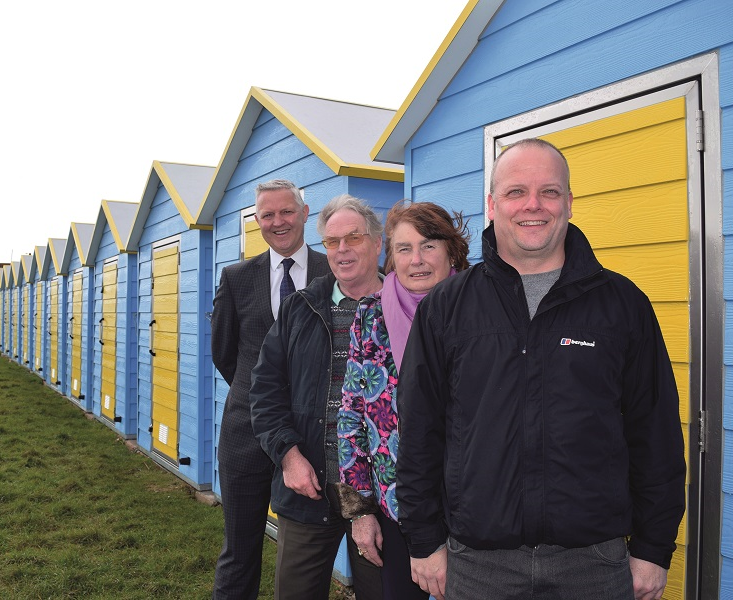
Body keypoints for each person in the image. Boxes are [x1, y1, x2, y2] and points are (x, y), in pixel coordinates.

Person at [396, 138, 686, 600]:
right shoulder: (447, 308)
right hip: (478, 564)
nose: (533, 205)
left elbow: (656, 434)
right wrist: (424, 538)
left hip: (593, 564)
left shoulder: (622, 305)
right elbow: (418, 431)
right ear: (492, 204)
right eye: (515, 192)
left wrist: (653, 548)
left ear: (569, 203)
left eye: (549, 192)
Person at [250, 194, 385, 600]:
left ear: (377, 242)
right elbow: (265, 391)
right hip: (308, 490)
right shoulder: (300, 309)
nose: (342, 250)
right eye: (331, 242)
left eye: (354, 238)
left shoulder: (401, 307)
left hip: (384, 497)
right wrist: (289, 457)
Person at [336, 201, 470, 600]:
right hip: (398, 506)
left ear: (452, 251)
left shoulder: (481, 310)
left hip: (475, 506)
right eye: (404, 248)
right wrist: (360, 512)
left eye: (429, 246)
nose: (417, 260)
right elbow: (352, 414)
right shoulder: (370, 316)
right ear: (390, 255)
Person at [211, 179, 331, 600]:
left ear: (304, 212)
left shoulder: (332, 272)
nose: (278, 222)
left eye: (286, 212)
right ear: (257, 221)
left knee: (303, 553)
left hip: (312, 441)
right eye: (267, 215)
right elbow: (225, 353)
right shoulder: (236, 277)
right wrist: (257, 395)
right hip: (245, 436)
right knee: (239, 552)